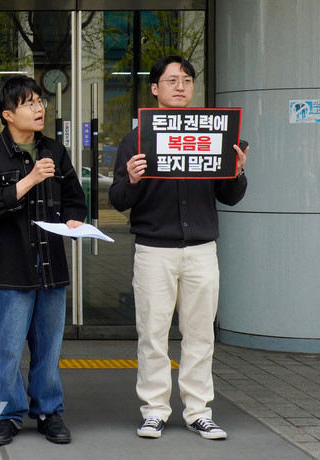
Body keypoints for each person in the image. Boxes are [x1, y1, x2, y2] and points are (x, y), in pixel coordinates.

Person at [108, 55, 249, 440]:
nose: (181, 86)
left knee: (200, 334)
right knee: (152, 334)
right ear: (155, 88)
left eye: (187, 80)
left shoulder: (215, 137)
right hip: (154, 250)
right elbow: (119, 199)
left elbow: (230, 196)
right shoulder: (134, 140)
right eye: (172, 80)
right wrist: (133, 179)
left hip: (203, 249)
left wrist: (237, 173)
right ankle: (154, 410)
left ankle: (198, 411)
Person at [0, 75, 87, 447]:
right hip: (9, 267)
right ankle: (8, 414)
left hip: (50, 262)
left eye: (40, 101)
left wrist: (73, 218)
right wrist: (29, 179)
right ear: (7, 114)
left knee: (49, 346)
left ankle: (48, 411)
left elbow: (75, 197)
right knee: (8, 349)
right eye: (29, 103)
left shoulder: (55, 149)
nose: (39, 108)